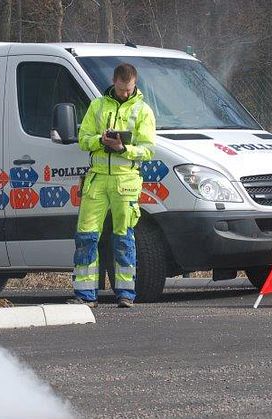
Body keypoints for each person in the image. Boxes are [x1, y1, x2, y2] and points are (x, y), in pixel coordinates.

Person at [68, 63, 156, 308]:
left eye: (129, 89)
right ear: (114, 82)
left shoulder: (143, 110)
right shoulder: (97, 106)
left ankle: (126, 293)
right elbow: (83, 139)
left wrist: (123, 148)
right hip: (97, 180)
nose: (125, 94)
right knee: (86, 235)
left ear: (134, 83)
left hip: (125, 180)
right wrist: (100, 140)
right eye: (121, 89)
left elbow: (148, 150)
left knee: (124, 237)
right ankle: (85, 295)